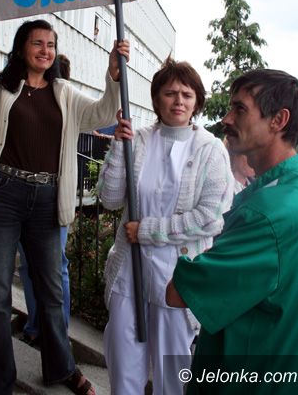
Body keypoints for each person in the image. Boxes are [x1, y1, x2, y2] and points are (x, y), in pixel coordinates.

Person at [0, 7, 129, 395]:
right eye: (38, 43)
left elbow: (100, 114)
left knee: (51, 292)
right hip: (3, 196)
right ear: (21, 48)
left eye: (51, 44)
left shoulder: (64, 94)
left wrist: (113, 77)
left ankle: (62, 368)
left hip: (47, 199)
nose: (46, 50)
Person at [166, 69, 298, 394]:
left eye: (240, 109)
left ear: (278, 120)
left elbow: (178, 293)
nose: (226, 119)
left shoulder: (267, 213)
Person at [97, 57, 234, 394]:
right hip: (129, 273)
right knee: (124, 367)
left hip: (178, 277)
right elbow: (110, 198)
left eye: (187, 95)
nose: (178, 101)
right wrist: (119, 147)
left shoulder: (210, 150)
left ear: (197, 102)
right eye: (170, 93)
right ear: (157, 99)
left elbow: (210, 217)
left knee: (172, 375)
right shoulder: (139, 139)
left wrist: (147, 231)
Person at [18, 53, 72, 341]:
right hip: (21, 197)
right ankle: (35, 326)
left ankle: (57, 334)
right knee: (29, 265)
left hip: (53, 198)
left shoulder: (66, 106)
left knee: (55, 266)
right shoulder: (25, 99)